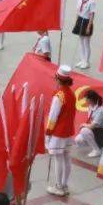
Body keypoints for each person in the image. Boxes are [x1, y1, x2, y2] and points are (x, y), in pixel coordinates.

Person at [44, 65, 75, 197]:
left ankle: (58, 186)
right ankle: (64, 184)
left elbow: (52, 117)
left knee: (58, 158)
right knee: (67, 158)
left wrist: (48, 133)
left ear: (57, 78)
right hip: (68, 131)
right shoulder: (72, 94)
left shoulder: (59, 96)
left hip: (58, 132)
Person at [74, 89, 103, 159]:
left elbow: (93, 126)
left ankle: (97, 150)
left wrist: (83, 125)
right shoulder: (90, 107)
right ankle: (96, 144)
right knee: (78, 140)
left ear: (91, 99)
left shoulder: (100, 111)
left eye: (86, 99)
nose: (85, 100)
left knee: (84, 130)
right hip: (96, 130)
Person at [71, 0, 96, 69]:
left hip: (86, 21)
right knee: (81, 42)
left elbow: (92, 15)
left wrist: (89, 26)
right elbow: (78, 12)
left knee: (86, 43)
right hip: (80, 20)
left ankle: (86, 61)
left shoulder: (91, 2)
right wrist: (76, 22)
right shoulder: (80, 0)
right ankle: (82, 60)